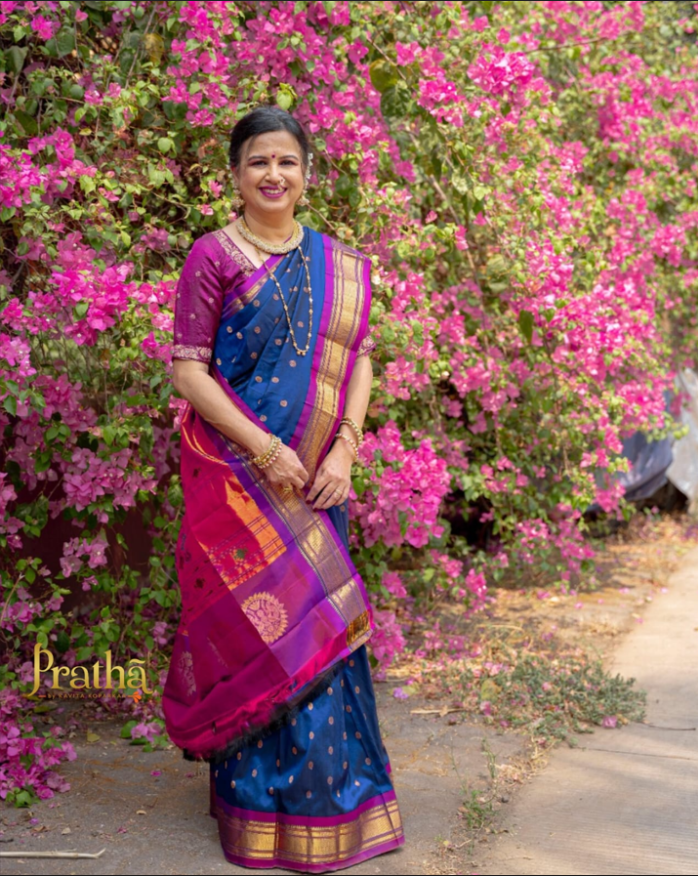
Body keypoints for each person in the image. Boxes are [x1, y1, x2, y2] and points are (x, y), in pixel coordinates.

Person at [162, 106, 405, 873]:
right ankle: (257, 806)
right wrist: (264, 449)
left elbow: (359, 359)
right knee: (260, 628)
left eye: (287, 161)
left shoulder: (340, 264)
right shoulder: (212, 256)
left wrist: (348, 449)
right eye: (259, 161)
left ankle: (334, 800)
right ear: (235, 174)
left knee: (321, 635)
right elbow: (189, 371)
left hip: (316, 476)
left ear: (307, 173)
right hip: (240, 479)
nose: (274, 174)